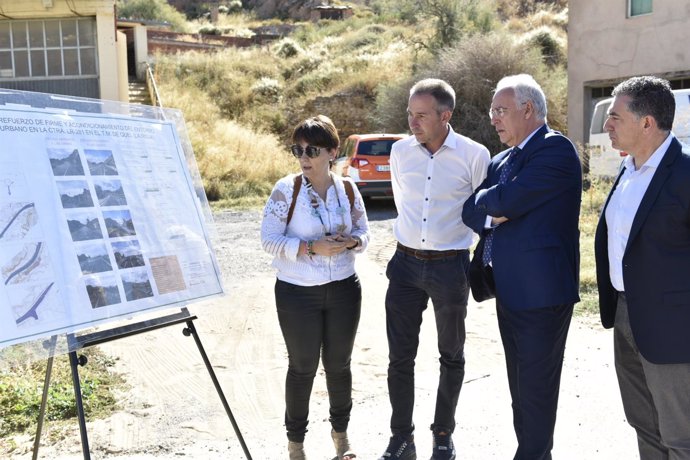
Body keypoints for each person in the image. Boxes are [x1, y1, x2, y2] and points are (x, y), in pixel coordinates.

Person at [462, 74, 582, 460]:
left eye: (500, 110)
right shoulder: (501, 160)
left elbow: (507, 201)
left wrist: (496, 207)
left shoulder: (554, 149)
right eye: (491, 110)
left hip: (541, 293)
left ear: (528, 109)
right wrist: (492, 210)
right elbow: (471, 209)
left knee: (535, 391)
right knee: (521, 389)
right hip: (509, 290)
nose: (493, 118)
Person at [379, 78, 490, 460]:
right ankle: (401, 438)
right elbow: (401, 200)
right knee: (399, 357)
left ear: (446, 116)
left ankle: (443, 434)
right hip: (405, 265)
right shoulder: (400, 152)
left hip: (450, 267)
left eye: (422, 115)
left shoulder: (475, 155)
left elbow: (483, 211)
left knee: (452, 355)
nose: (413, 122)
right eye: (410, 114)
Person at [261, 115, 369, 460]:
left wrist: (352, 242)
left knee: (339, 366)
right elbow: (268, 239)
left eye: (312, 150)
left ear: (332, 152)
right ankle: (296, 446)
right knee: (303, 366)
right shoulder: (286, 189)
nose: (304, 157)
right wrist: (311, 248)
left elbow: (366, 233)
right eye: (298, 149)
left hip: (343, 289)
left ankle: (342, 440)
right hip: (297, 292)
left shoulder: (348, 188)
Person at [594, 76, 690, 459]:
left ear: (647, 122)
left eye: (615, 117)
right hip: (624, 316)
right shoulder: (628, 171)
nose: (607, 126)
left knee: (681, 437)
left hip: (673, 331)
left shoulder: (684, 176)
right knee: (644, 425)